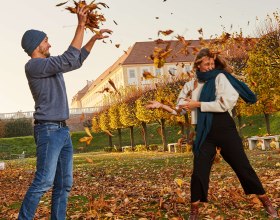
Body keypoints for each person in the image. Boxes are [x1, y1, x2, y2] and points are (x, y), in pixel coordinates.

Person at [146, 48, 278, 219]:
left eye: (212, 63)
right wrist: (162, 106)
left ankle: (266, 202)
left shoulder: (221, 78)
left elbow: (224, 104)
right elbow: (180, 110)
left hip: (224, 128)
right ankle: (194, 211)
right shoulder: (190, 85)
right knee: (199, 171)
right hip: (203, 132)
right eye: (206, 64)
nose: (210, 66)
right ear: (198, 65)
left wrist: (198, 104)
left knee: (243, 167)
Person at [19, 6, 112, 220]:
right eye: (46, 41)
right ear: (36, 45)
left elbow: (75, 60)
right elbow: (69, 59)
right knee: (43, 181)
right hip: (48, 131)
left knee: (64, 184)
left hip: (62, 130)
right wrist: (80, 25)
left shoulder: (50, 65)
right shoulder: (34, 66)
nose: (49, 43)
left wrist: (93, 40)